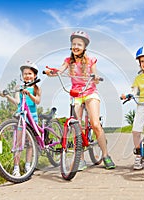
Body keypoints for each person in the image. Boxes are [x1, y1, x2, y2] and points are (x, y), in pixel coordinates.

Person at [45, 30, 116, 170]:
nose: (76, 46)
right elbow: (60, 70)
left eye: (79, 44)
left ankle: (106, 155)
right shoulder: (68, 61)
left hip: (90, 92)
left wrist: (95, 77)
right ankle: (81, 159)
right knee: (78, 127)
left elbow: (94, 73)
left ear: (84, 47)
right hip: (76, 94)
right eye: (74, 44)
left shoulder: (90, 60)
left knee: (95, 124)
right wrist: (51, 72)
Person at [0, 60, 41, 176]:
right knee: (18, 143)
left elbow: (37, 101)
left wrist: (29, 94)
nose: (27, 76)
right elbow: (17, 102)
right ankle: (16, 168)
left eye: (29, 73)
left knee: (30, 143)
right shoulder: (19, 87)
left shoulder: (36, 88)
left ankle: (28, 165)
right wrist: (7, 96)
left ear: (35, 75)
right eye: (25, 74)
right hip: (21, 117)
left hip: (32, 117)